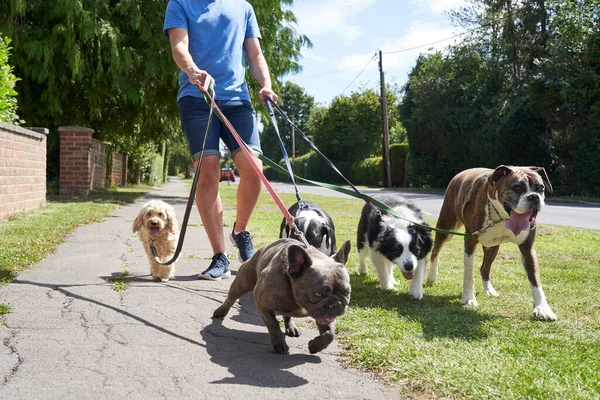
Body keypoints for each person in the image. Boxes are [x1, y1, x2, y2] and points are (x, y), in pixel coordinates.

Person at [164, 0, 278, 280]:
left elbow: (254, 53)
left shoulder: (243, 7)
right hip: (196, 96)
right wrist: (193, 72)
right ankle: (220, 257)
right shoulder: (180, 3)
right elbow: (179, 46)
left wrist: (265, 84)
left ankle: (240, 232)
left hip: (237, 99)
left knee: (254, 168)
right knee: (208, 170)